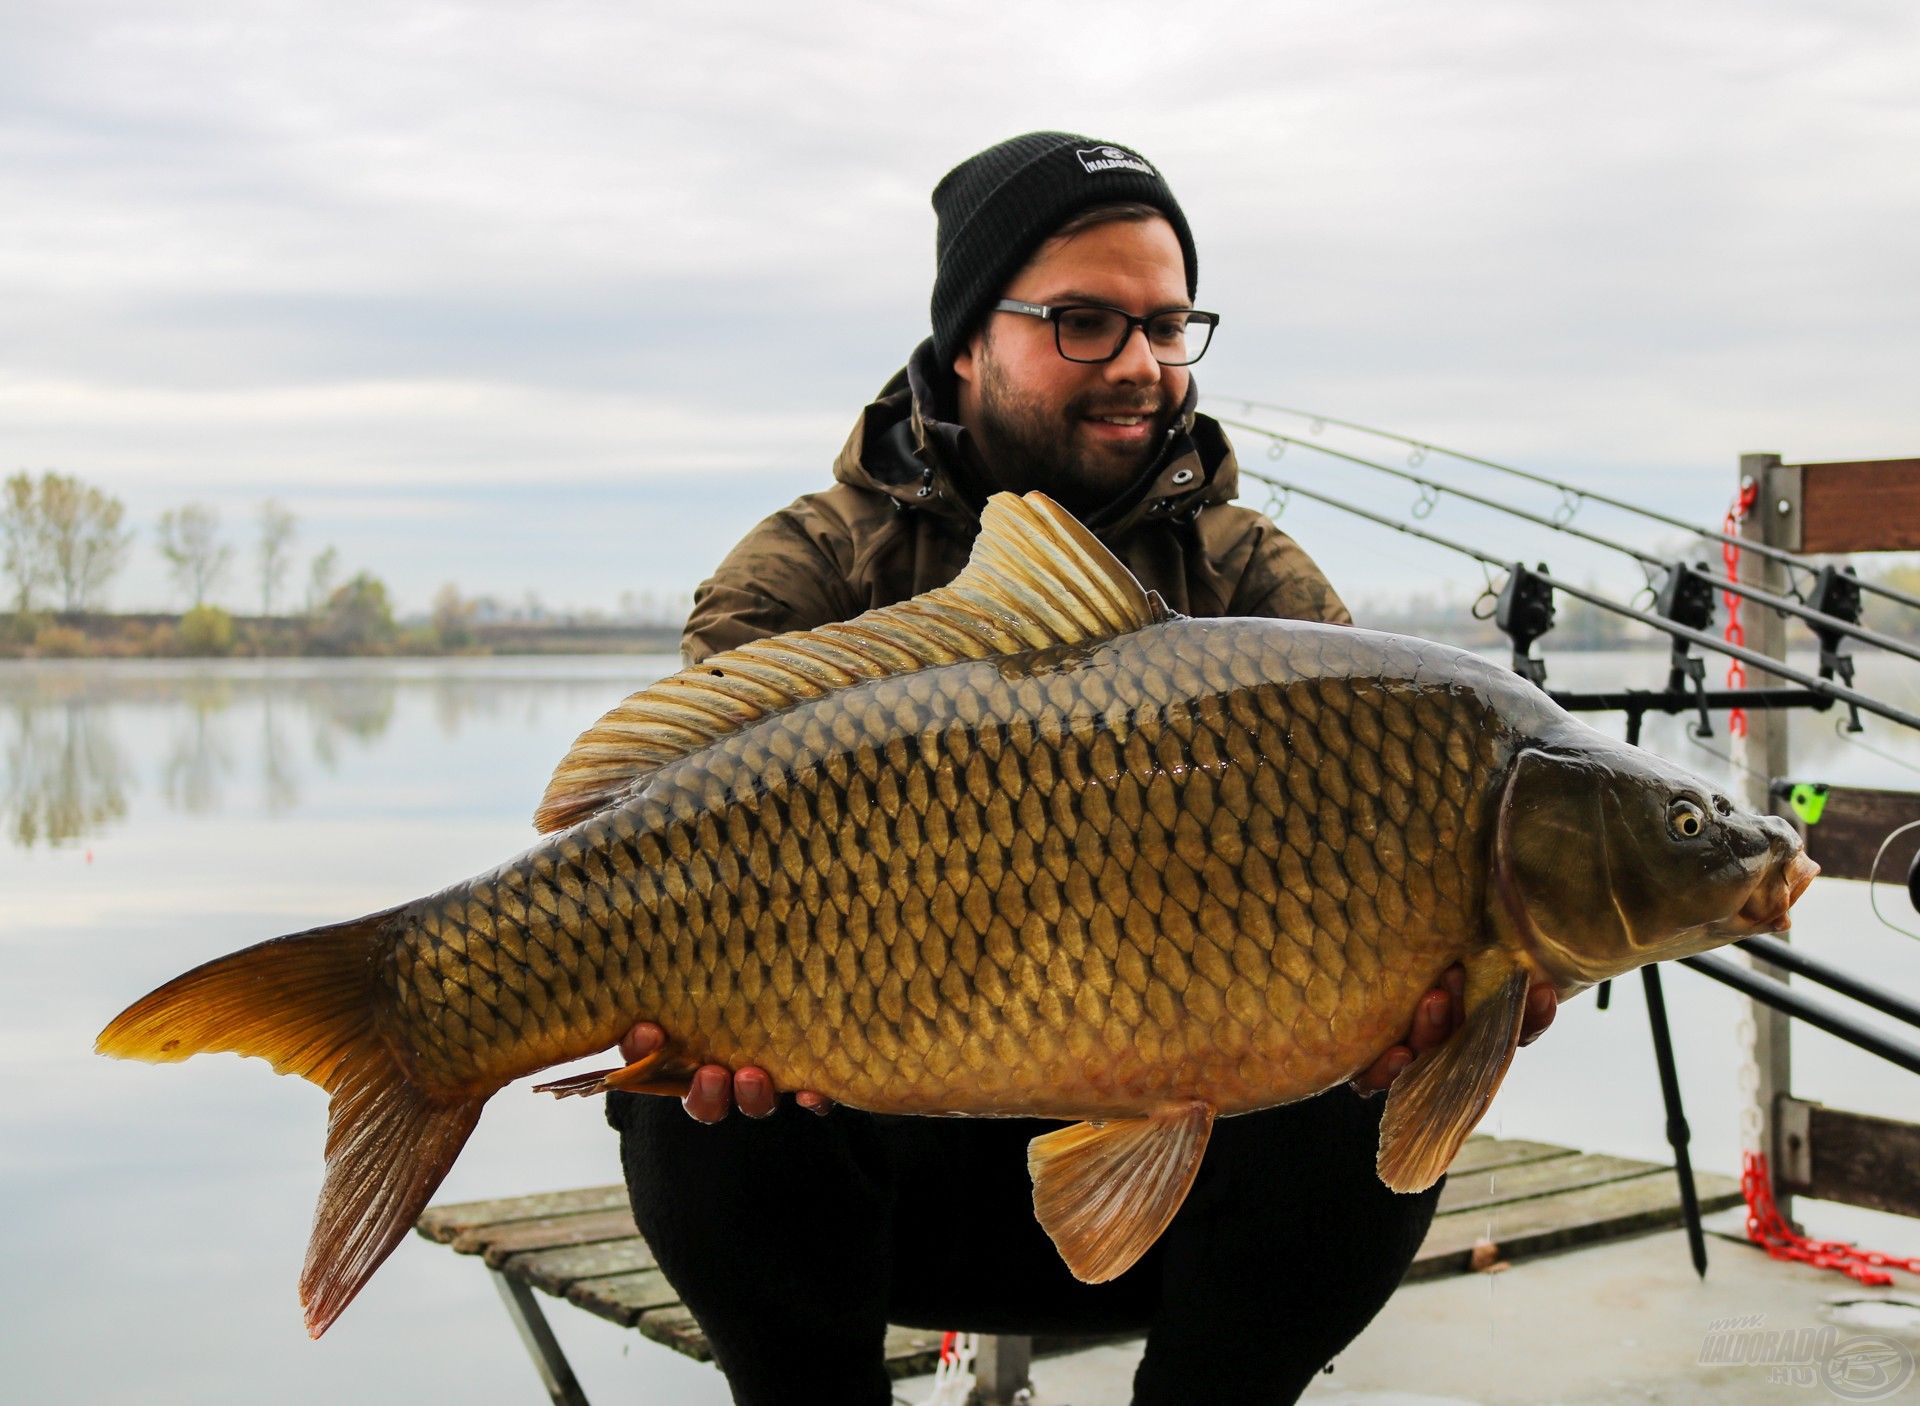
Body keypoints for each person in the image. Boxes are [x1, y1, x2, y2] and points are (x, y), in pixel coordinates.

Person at [605, 131, 1556, 1405]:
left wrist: (1438, 998)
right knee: (693, 1100)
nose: (1141, 368)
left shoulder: (1253, 581)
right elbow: (643, 819)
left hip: (1177, 1206)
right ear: (964, 343)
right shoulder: (810, 570)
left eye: (1168, 326)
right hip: (885, 1186)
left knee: (1365, 1090)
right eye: (1083, 321)